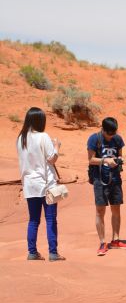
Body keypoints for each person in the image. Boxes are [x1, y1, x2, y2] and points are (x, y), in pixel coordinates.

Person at [16, 107, 65, 261]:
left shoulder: (20, 138)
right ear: (39, 120)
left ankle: (32, 252)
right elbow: (52, 159)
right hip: (47, 184)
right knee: (51, 218)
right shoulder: (43, 137)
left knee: (33, 220)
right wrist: (57, 146)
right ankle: (53, 252)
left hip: (30, 185)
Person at [87, 117, 126, 256]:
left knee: (116, 209)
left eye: (114, 133)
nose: (111, 136)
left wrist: (119, 161)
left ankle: (116, 240)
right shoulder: (94, 139)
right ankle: (102, 242)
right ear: (103, 129)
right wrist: (105, 160)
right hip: (99, 180)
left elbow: (119, 156)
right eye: (109, 134)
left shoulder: (117, 139)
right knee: (100, 210)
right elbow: (91, 160)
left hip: (115, 179)